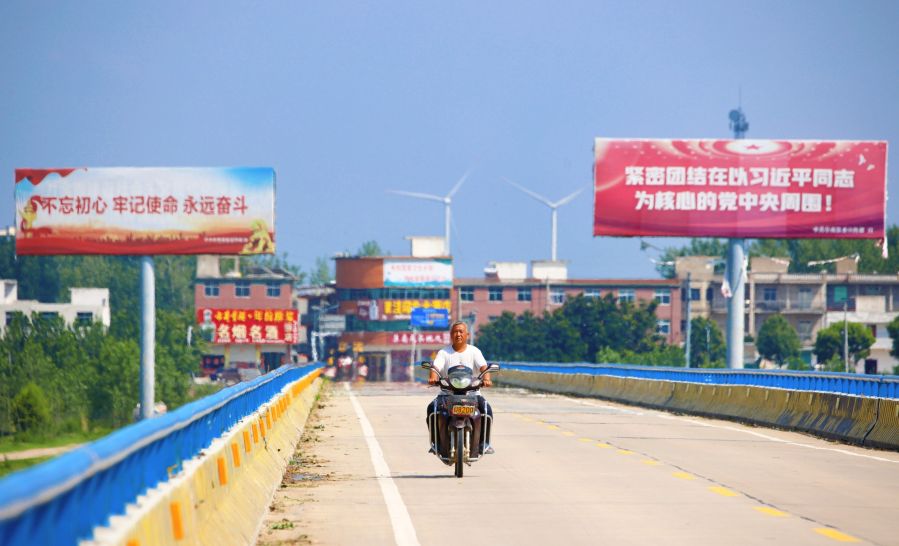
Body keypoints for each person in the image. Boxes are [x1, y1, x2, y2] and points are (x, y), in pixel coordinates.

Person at [426, 321, 494, 455]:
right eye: (455, 332)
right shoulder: (444, 353)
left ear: (467, 334)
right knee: (431, 410)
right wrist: (433, 377)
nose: (458, 334)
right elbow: (436, 367)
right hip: (446, 394)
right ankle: (436, 443)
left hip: (472, 393)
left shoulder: (474, 351)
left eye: (461, 331)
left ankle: (484, 443)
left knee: (487, 410)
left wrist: (486, 379)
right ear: (451, 335)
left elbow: (483, 367)